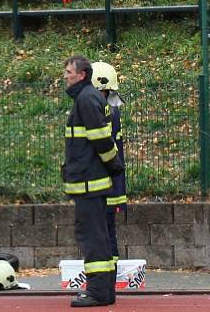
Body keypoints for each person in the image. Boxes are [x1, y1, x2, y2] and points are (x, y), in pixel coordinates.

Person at [63, 55, 123, 307]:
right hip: (92, 182)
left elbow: (101, 139)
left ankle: (98, 292)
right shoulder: (89, 97)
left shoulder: (86, 99)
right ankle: (105, 291)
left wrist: (114, 165)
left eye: (68, 72)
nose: (65, 76)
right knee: (98, 236)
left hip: (89, 183)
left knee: (92, 238)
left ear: (82, 75)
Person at [91, 61, 127, 270]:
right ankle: (108, 276)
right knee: (108, 232)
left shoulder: (104, 113)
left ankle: (106, 278)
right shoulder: (112, 110)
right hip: (111, 184)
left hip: (103, 184)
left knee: (103, 234)